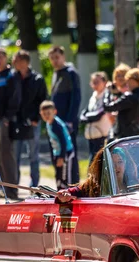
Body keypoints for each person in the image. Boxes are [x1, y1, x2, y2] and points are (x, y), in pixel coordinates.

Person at [0, 47, 21, 199]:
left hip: (6, 120)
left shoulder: (11, 75)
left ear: (6, 58)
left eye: (0, 57)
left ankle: (11, 190)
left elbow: (15, 98)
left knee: (7, 155)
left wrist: (8, 117)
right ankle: (3, 188)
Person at [12, 50, 47, 188]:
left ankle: (34, 184)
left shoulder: (37, 79)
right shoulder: (13, 78)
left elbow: (43, 100)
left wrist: (37, 118)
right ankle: (15, 183)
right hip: (16, 122)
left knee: (33, 154)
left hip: (32, 122)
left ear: (25, 62)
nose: (15, 63)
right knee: (15, 155)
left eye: (17, 60)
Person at [48, 46, 80, 184]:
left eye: (57, 57)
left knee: (69, 154)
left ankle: (72, 184)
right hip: (55, 121)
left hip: (67, 122)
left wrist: (70, 121)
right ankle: (61, 183)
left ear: (63, 57)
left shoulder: (71, 73)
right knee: (57, 152)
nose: (55, 61)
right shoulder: (56, 73)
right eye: (52, 58)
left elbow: (76, 98)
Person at [103, 68, 139, 139]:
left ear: (133, 81)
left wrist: (107, 91)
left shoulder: (129, 97)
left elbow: (107, 107)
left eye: (128, 81)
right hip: (138, 133)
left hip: (124, 136)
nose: (127, 84)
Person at [40, 101, 75, 190]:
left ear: (54, 112)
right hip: (58, 152)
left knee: (65, 175)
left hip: (65, 152)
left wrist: (61, 157)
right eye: (44, 114)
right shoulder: (49, 123)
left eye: (48, 113)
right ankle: (59, 190)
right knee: (58, 174)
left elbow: (63, 142)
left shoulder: (56, 125)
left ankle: (67, 191)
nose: (46, 116)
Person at [80, 71, 111, 163]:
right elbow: (86, 111)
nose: (94, 84)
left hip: (101, 134)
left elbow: (99, 114)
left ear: (105, 82)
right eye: (93, 82)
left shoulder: (107, 95)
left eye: (97, 82)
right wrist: (83, 117)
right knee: (92, 159)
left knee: (96, 161)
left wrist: (86, 118)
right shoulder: (94, 96)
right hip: (92, 134)